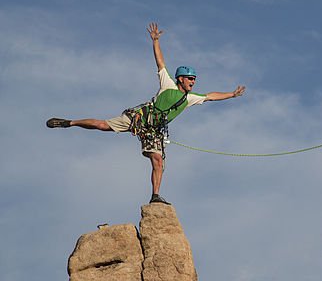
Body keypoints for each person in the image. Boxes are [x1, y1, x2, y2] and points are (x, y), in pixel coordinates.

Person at [46, 23, 246, 204]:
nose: (192, 81)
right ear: (180, 79)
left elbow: (211, 96)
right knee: (103, 125)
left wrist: (231, 94)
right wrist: (156, 41)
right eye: (189, 78)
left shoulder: (190, 98)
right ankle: (70, 122)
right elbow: (160, 63)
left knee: (158, 161)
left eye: (194, 79)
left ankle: (155, 195)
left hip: (154, 130)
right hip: (141, 117)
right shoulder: (168, 84)